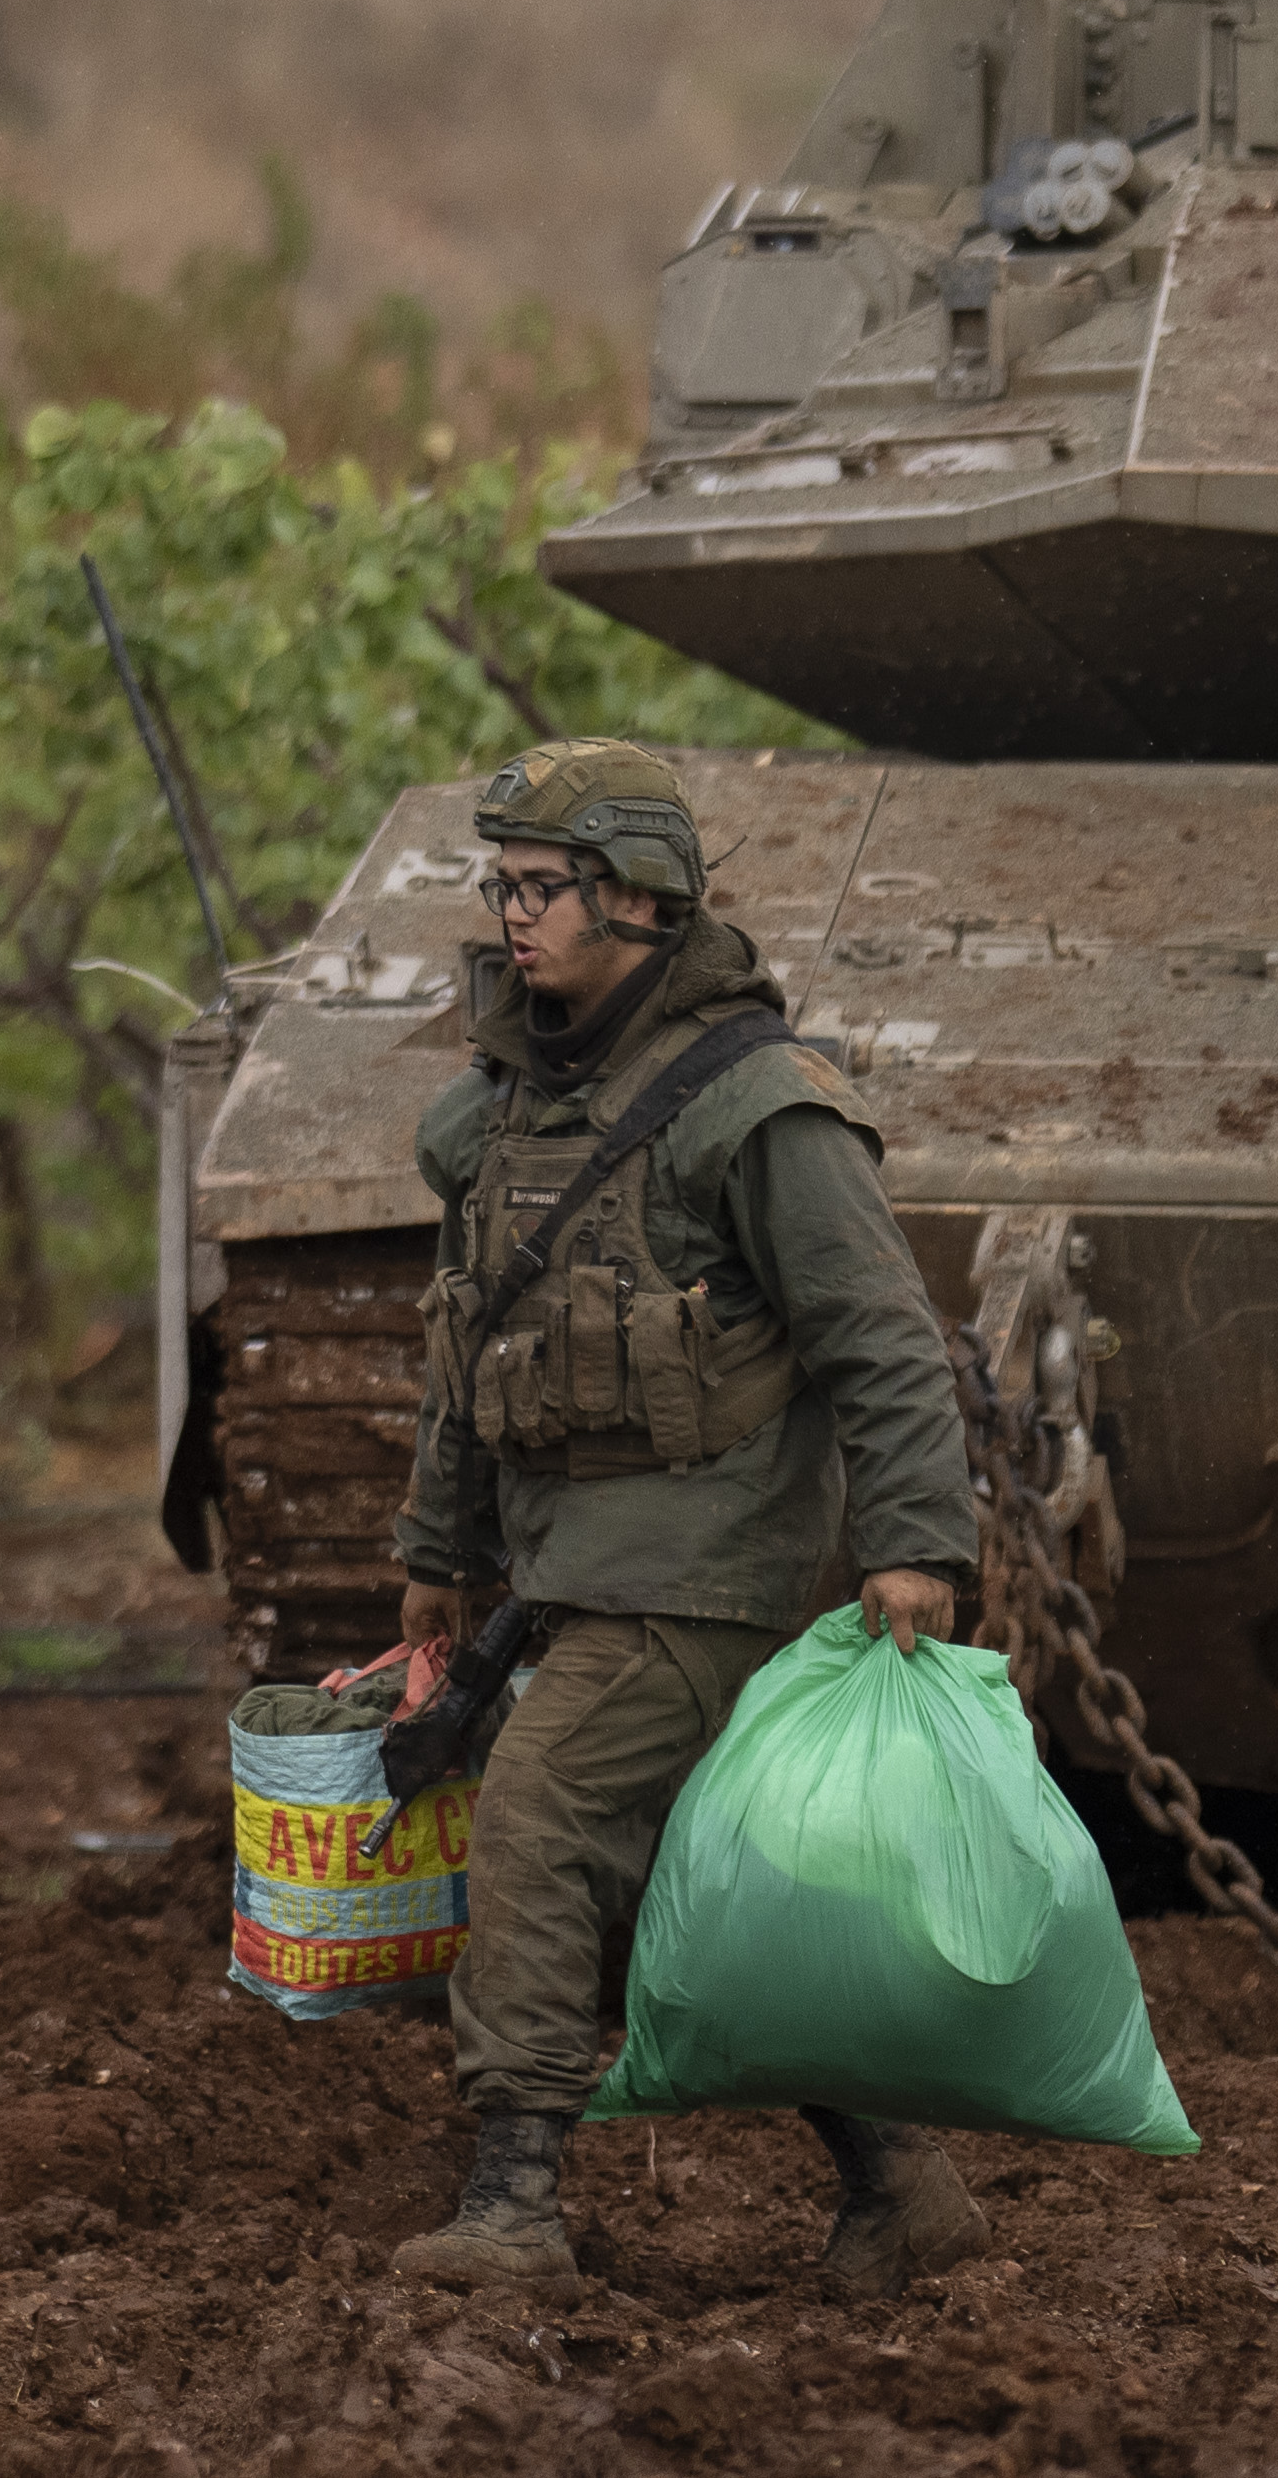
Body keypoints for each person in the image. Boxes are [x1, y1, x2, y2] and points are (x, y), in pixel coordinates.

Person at [385, 738, 993, 2297]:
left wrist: (917, 1544)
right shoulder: (510, 1105)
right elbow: (468, 1346)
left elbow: (882, 1335)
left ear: (640, 902)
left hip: (708, 1569)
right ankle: (899, 2181)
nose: (512, 918)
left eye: (543, 890)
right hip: (567, 1565)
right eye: (502, 886)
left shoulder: (758, 1108)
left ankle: (515, 2201)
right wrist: (437, 1556)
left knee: (534, 1813)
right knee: (691, 1880)